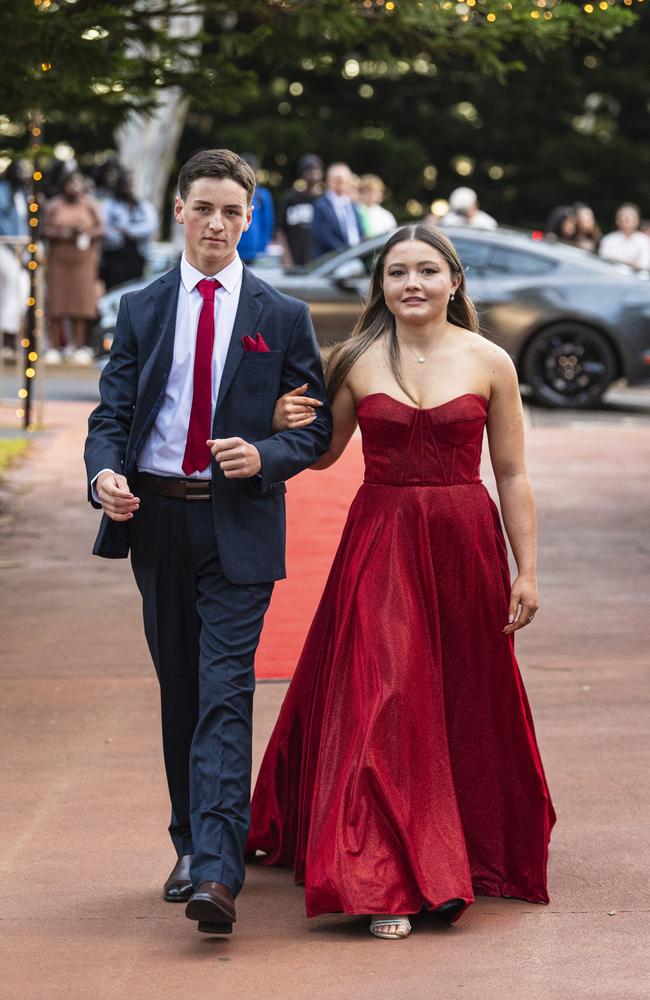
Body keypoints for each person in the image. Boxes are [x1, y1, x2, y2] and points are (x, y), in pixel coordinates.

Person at [247, 223, 555, 940]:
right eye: (395, 273)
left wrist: (528, 569)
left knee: (455, 697)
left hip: (463, 543)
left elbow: (511, 473)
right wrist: (277, 421)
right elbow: (322, 458)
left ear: (454, 281)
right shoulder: (353, 358)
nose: (410, 284)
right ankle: (384, 874)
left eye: (424, 270)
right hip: (381, 541)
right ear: (379, 286)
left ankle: (457, 849)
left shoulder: (490, 362)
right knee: (386, 695)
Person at [83, 148, 331, 937]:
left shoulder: (282, 317)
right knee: (183, 690)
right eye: (205, 208)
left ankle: (218, 874)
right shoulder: (144, 307)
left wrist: (267, 454)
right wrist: (102, 477)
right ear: (180, 212)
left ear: (249, 218)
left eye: (234, 211)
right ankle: (189, 844)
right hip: (155, 519)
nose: (218, 223)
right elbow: (110, 416)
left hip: (241, 524)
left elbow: (316, 424)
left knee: (226, 690)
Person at [42, 169, 104, 364]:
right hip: (58, 261)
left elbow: (102, 228)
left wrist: (86, 231)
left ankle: (78, 347)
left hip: (83, 262)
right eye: (71, 183)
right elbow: (43, 228)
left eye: (78, 183)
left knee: (81, 303)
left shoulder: (90, 205)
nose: (74, 187)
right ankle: (54, 347)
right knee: (57, 302)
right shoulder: (54, 205)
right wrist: (64, 233)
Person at [100, 170, 158, 290]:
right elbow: (104, 228)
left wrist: (128, 231)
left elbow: (150, 226)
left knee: (135, 289)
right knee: (115, 288)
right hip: (115, 255)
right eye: (125, 184)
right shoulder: (109, 205)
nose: (128, 188)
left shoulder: (143, 206)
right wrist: (118, 234)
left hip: (137, 254)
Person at [0, 160, 30, 358]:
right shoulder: (3, 190)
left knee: (23, 290)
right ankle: (7, 339)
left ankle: (13, 336)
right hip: (5, 246)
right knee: (11, 289)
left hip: (21, 248)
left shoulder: (24, 193)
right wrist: (14, 247)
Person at [277, 154, 324, 266]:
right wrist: (286, 257)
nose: (312, 175)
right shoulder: (290, 199)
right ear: (302, 173)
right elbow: (280, 230)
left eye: (315, 170)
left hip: (319, 262)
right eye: (308, 170)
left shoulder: (324, 201)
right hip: (294, 260)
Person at [311, 162, 364, 258]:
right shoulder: (320, 206)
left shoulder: (352, 204)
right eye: (338, 180)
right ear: (329, 181)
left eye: (345, 180)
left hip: (356, 258)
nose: (342, 183)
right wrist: (346, 255)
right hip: (332, 261)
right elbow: (324, 238)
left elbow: (359, 231)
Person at [236, 153, 275, 263]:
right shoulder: (232, 193)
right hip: (234, 249)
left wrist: (262, 248)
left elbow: (268, 222)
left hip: (255, 251)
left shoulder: (263, 195)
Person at [599, 203, 650, 271]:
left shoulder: (644, 240)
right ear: (617, 220)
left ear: (637, 220)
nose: (627, 222)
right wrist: (630, 263)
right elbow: (603, 260)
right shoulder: (608, 240)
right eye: (624, 219)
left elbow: (644, 264)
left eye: (630, 219)